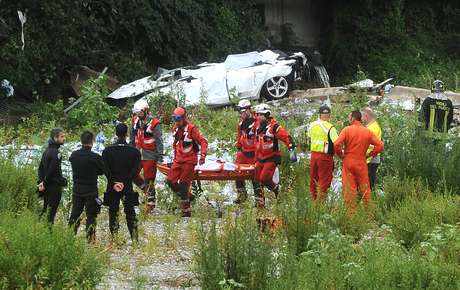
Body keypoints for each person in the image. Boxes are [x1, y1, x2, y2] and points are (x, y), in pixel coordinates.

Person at [334, 111, 384, 216]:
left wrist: (341, 155)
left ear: (353, 118)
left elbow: (336, 144)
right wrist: (370, 155)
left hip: (348, 161)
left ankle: (351, 215)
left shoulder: (346, 130)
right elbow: (380, 146)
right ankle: (369, 215)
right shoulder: (367, 132)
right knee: (365, 188)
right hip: (361, 162)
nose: (348, 119)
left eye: (349, 117)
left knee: (349, 189)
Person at [102, 123, 141, 242]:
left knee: (113, 212)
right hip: (127, 186)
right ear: (127, 134)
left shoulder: (107, 151)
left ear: (115, 133)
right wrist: (124, 182)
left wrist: (115, 182)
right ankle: (134, 239)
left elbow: (105, 169)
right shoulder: (134, 151)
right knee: (130, 212)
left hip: (112, 186)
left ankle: (114, 238)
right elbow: (135, 170)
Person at [166, 107, 208, 217]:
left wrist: (203, 155)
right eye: (175, 120)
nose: (177, 122)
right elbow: (176, 145)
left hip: (189, 160)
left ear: (184, 118)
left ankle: (186, 210)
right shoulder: (175, 128)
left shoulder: (191, 129)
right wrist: (174, 159)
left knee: (184, 184)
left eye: (179, 120)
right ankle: (189, 196)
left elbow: (203, 141)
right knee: (170, 180)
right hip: (178, 159)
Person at [254, 103, 296, 208]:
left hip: (271, 157)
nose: (258, 117)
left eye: (261, 115)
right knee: (257, 180)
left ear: (267, 114)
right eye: (257, 114)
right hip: (260, 158)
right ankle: (260, 205)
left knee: (264, 178)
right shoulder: (259, 126)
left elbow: (287, 137)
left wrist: (292, 151)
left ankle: (277, 189)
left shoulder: (274, 127)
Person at [68, 131, 104, 243]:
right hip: (91, 190)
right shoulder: (95, 157)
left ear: (81, 140)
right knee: (91, 216)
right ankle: (90, 239)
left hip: (77, 189)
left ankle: (69, 236)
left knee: (75, 214)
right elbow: (102, 171)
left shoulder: (74, 155)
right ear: (93, 141)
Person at [131, 99, 164, 214]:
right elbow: (132, 137)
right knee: (132, 174)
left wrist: (160, 157)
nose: (138, 115)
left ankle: (150, 202)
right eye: (136, 113)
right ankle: (146, 190)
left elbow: (159, 141)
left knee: (149, 178)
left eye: (139, 113)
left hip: (150, 154)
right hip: (138, 153)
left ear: (145, 111)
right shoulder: (136, 121)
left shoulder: (155, 123)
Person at [307, 105, 338, 201]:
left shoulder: (311, 125)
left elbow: (308, 138)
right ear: (329, 115)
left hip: (313, 156)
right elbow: (337, 143)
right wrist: (340, 155)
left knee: (313, 179)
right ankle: (320, 205)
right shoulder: (330, 127)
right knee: (324, 180)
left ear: (319, 115)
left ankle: (313, 201)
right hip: (325, 157)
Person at [234, 99, 261, 204]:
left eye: (242, 111)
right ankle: (242, 194)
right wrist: (239, 145)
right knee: (236, 172)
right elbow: (239, 135)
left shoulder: (258, 122)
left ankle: (259, 200)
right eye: (239, 112)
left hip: (255, 153)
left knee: (255, 176)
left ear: (248, 110)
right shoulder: (241, 123)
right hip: (244, 152)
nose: (240, 114)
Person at [38, 128, 67, 224]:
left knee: (46, 208)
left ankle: (38, 228)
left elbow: (40, 169)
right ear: (55, 138)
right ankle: (48, 232)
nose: (64, 138)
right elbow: (52, 170)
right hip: (54, 186)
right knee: (51, 212)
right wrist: (44, 182)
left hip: (46, 186)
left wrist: (41, 182)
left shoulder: (46, 151)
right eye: (62, 136)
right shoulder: (56, 153)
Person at [361, 107, 382, 190]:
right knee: (369, 183)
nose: (361, 119)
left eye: (362, 116)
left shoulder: (371, 128)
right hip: (371, 158)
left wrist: (363, 156)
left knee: (368, 184)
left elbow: (370, 146)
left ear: (366, 116)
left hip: (370, 159)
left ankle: (367, 201)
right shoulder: (373, 126)